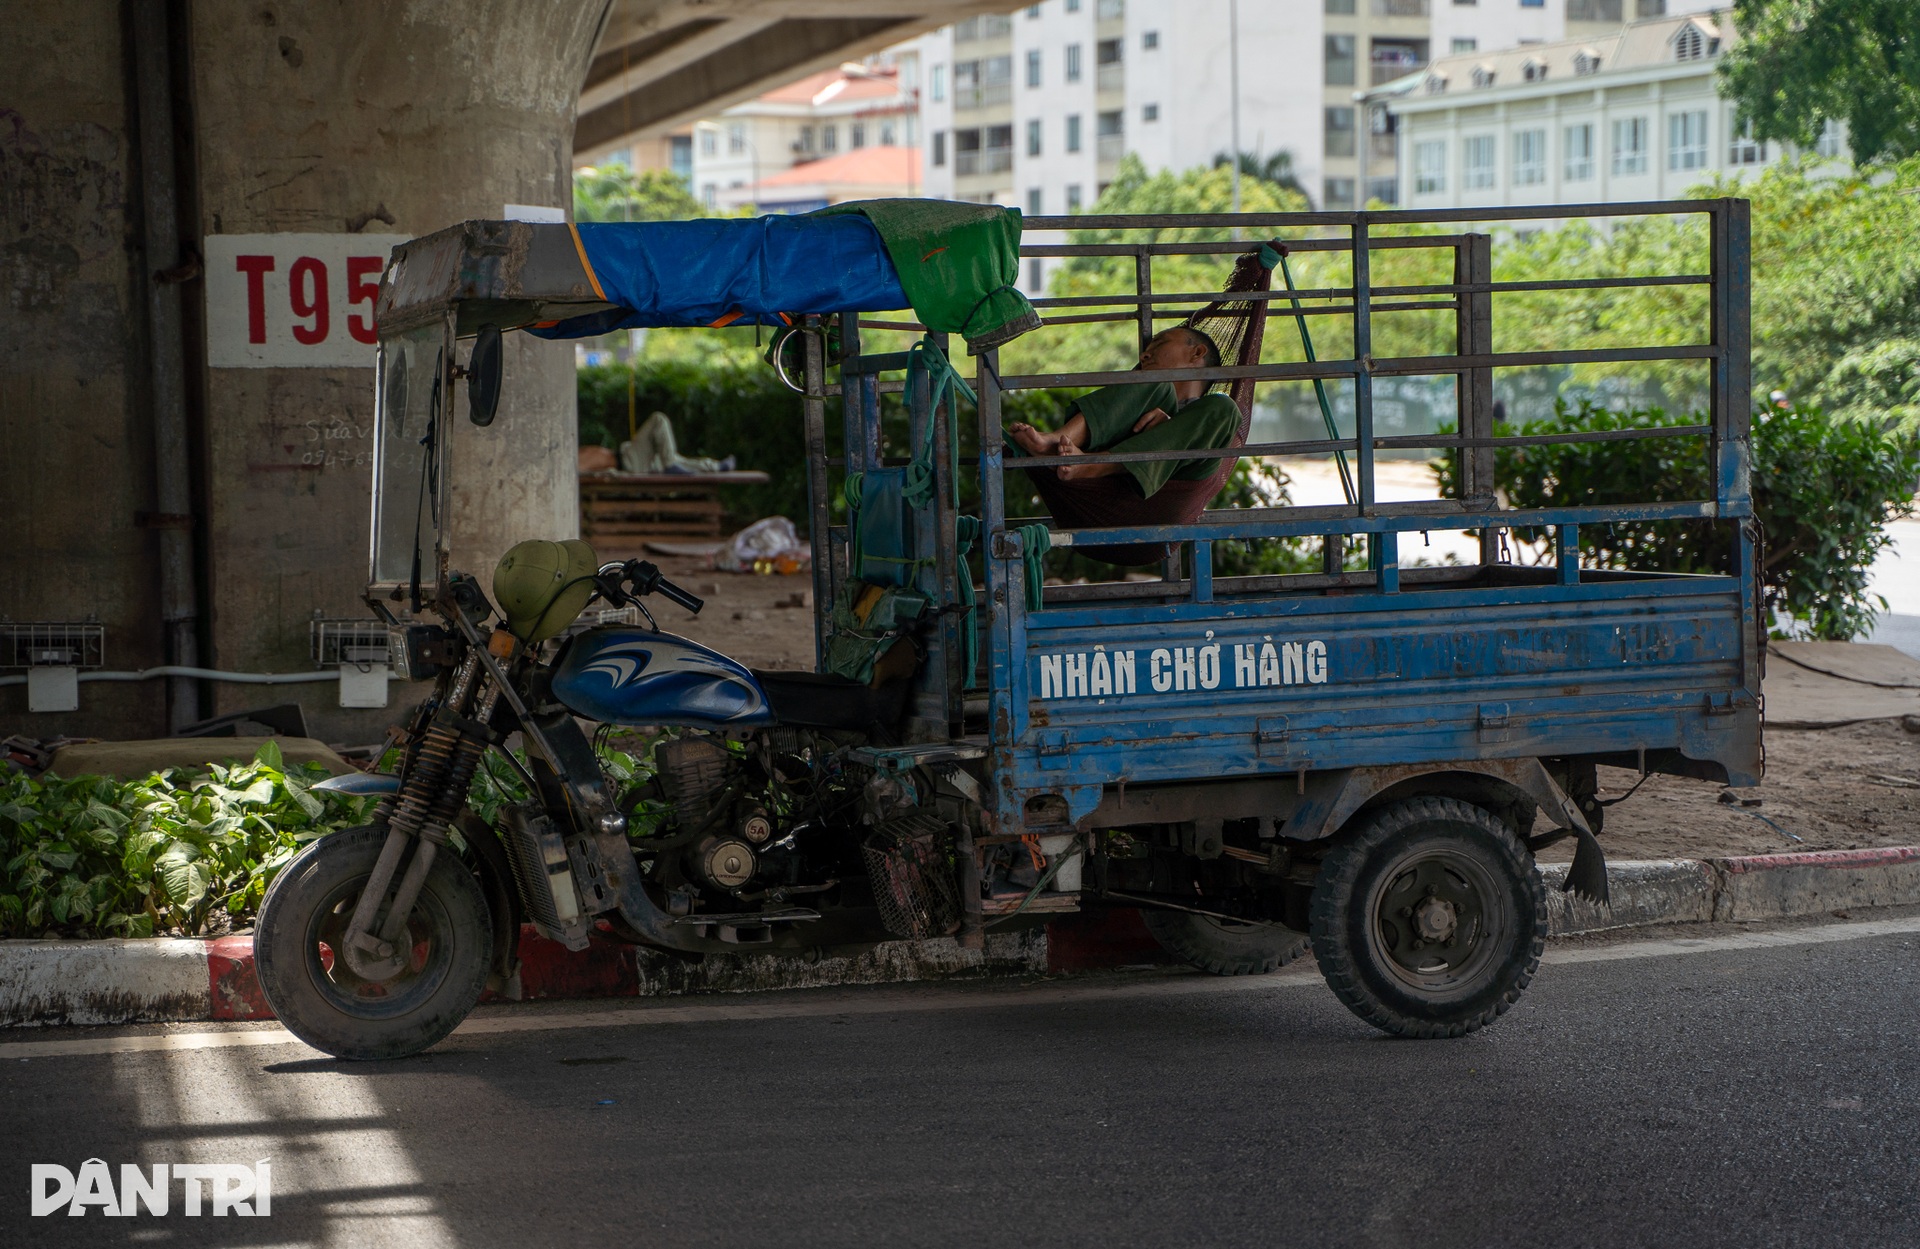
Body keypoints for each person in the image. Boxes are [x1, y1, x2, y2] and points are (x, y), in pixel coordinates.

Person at [1007, 326, 1238, 499]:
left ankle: (1089, 465)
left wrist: (1170, 427)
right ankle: (1055, 441)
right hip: (1098, 485)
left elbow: (1212, 422)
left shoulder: (1212, 416)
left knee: (1225, 407)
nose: (1144, 355)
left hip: (1165, 494)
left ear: (1197, 353)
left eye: (1159, 344)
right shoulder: (1147, 396)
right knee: (1157, 382)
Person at [618, 410, 736, 475]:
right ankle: (670, 464)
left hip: (637, 461)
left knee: (679, 462)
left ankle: (716, 466)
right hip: (627, 460)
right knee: (658, 419)